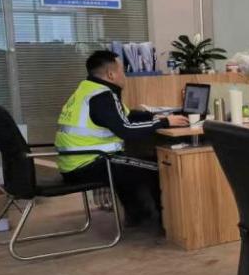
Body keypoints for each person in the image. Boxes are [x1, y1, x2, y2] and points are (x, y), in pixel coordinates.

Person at [56, 50, 187, 226]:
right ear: (111, 74)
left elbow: (125, 116)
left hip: (75, 163)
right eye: (122, 71)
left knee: (133, 162)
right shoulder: (102, 96)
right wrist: (164, 122)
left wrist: (154, 116)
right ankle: (166, 223)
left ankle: (139, 216)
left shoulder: (87, 90)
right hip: (88, 164)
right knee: (161, 167)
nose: (124, 75)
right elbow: (126, 130)